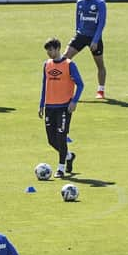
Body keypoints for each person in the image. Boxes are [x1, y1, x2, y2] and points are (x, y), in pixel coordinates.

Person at [39, 38, 84, 178]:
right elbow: (44, 85)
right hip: (50, 106)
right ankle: (69, 156)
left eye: (51, 50)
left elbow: (80, 84)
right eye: (47, 50)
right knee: (51, 140)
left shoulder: (69, 65)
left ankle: (61, 168)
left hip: (64, 107)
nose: (49, 53)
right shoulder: (47, 65)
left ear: (58, 48)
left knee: (61, 136)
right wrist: (41, 104)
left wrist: (74, 101)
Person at [63, 0, 107, 99]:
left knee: (99, 64)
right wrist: (77, 31)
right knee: (65, 58)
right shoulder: (80, 2)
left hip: (94, 38)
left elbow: (101, 23)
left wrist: (95, 40)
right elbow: (78, 19)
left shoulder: (99, 3)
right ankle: (67, 88)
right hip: (81, 36)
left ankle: (101, 90)